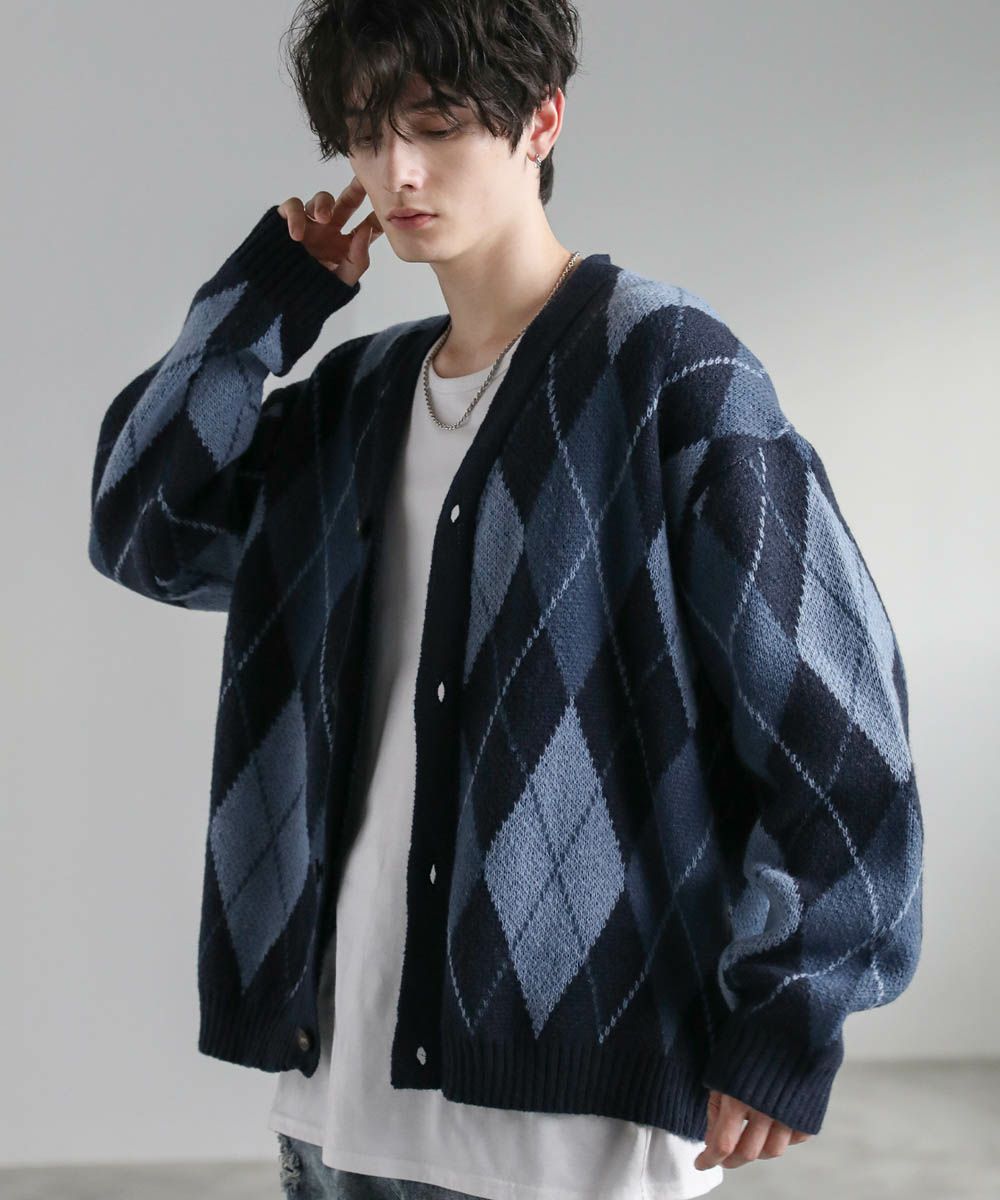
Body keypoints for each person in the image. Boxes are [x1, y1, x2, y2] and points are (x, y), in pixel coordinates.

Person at [87, 3, 923, 1198]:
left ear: (541, 120)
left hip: (572, 1123)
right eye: (366, 133)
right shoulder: (358, 400)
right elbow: (144, 526)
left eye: (436, 125)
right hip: (339, 1102)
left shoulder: (664, 369)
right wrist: (265, 302)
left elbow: (835, 723)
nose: (396, 171)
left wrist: (788, 1013)